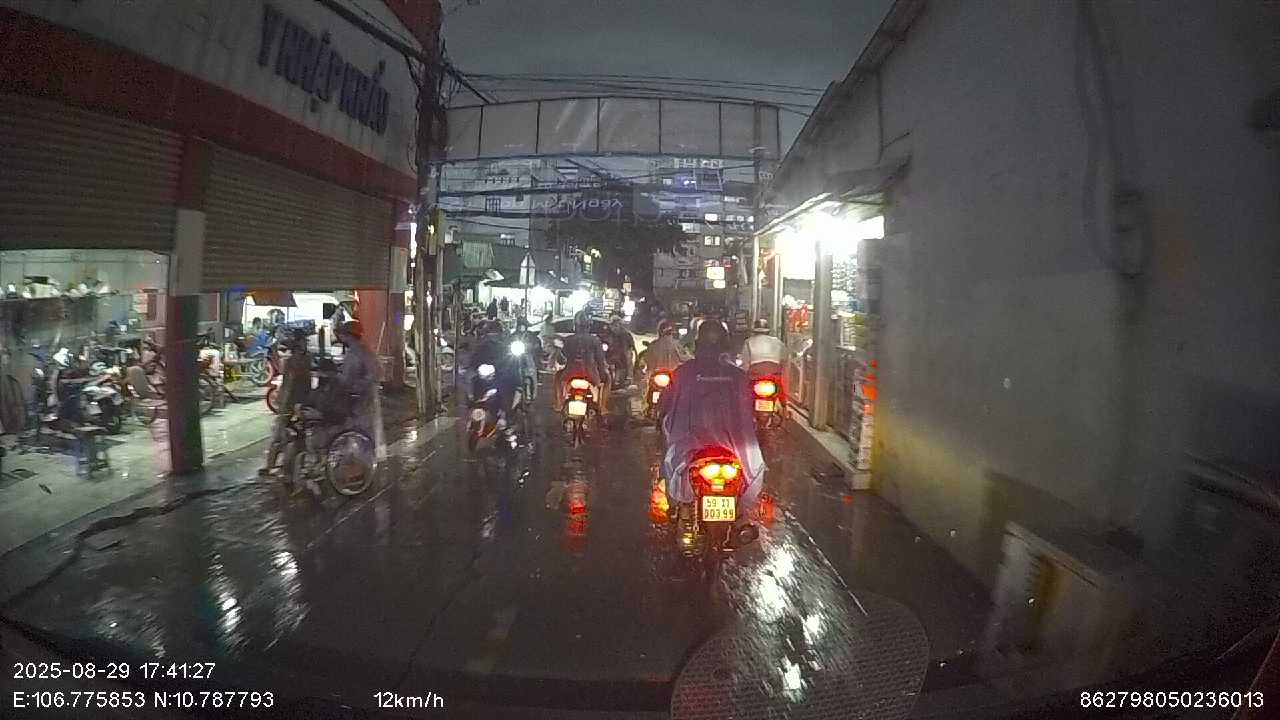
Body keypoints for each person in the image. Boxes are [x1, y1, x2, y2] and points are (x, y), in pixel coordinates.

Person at [658, 319, 765, 546]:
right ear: (726, 346)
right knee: (752, 468)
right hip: (736, 448)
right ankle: (741, 517)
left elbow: (665, 404)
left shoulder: (683, 373)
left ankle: (680, 509)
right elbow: (752, 410)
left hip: (689, 446)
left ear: (697, 345)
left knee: (670, 465)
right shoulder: (738, 376)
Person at [259, 330, 312, 477]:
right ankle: (275, 466)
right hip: (295, 403)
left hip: (294, 403)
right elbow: (290, 385)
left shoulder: (297, 360)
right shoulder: (301, 360)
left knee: (285, 436)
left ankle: (275, 466)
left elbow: (290, 386)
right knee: (286, 437)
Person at [555, 312, 611, 416]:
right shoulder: (595, 340)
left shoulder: (568, 340)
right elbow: (600, 361)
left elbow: (560, 359)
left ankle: (559, 403)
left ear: (575, 325)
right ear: (588, 326)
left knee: (557, 375)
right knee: (607, 378)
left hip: (569, 374)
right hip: (590, 375)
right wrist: (603, 373)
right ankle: (603, 407)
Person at [471, 319, 523, 421]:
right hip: (485, 379)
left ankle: (507, 415)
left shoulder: (506, 347)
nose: (492, 336)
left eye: (494, 332)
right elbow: (474, 362)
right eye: (490, 332)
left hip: (502, 379)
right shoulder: (481, 347)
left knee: (510, 387)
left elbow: (513, 365)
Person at [512, 316, 541, 400]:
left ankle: (532, 392)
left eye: (523, 325)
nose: (522, 327)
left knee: (533, 369)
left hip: (528, 357)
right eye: (520, 325)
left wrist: (535, 346)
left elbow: (537, 344)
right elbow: (506, 344)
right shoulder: (513, 336)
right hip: (515, 358)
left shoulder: (531, 336)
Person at [605, 313, 636, 386]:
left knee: (628, 357)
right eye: (612, 325)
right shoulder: (608, 333)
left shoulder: (626, 334)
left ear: (619, 325)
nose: (613, 327)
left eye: (615, 325)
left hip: (622, 354)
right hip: (612, 354)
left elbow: (630, 346)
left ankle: (629, 377)